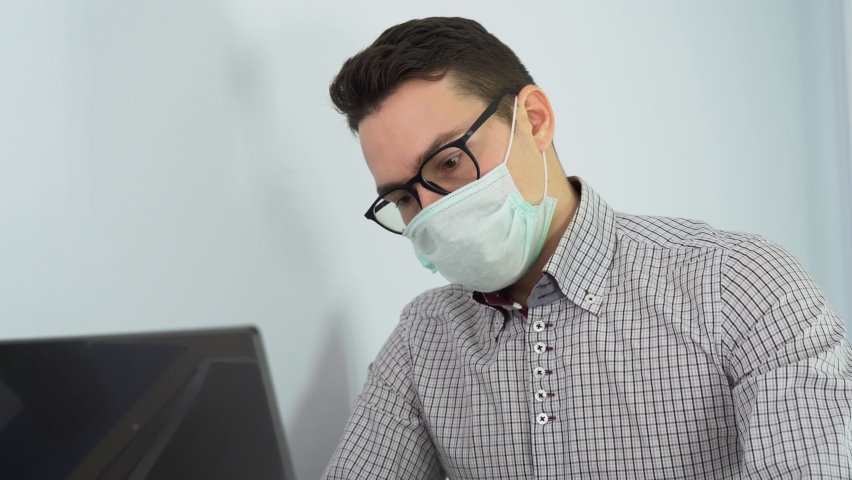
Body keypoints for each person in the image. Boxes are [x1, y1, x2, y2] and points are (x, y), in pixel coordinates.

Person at [322, 17, 852, 479]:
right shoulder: (423, 340)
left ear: (534, 120)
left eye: (450, 162)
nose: (433, 209)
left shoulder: (739, 285)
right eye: (402, 197)